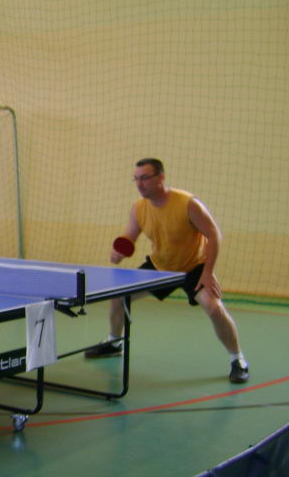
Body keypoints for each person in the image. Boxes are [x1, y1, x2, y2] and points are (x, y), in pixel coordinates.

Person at [85, 158, 249, 384]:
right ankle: (115, 342)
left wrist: (207, 272)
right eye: (136, 179)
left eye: (145, 178)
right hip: (160, 267)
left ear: (160, 177)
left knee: (214, 308)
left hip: (194, 268)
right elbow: (130, 236)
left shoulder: (188, 204)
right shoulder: (139, 208)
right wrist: (119, 251)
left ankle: (238, 360)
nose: (139, 184)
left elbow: (214, 235)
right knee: (118, 296)